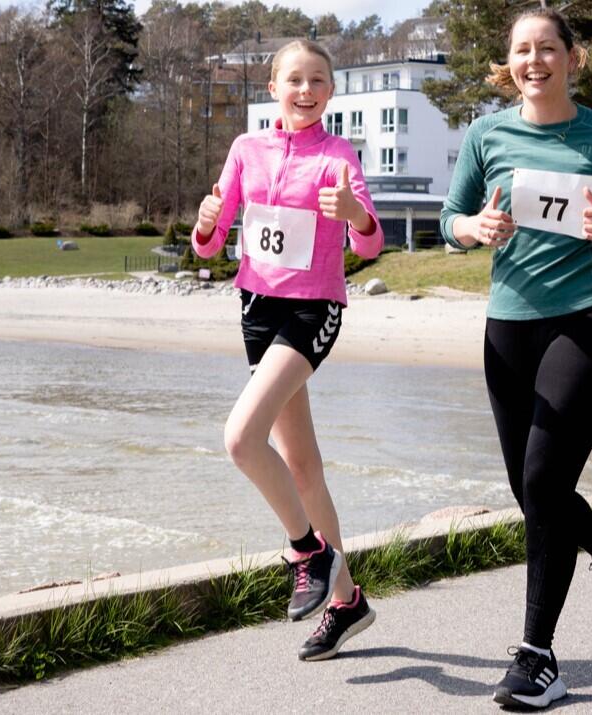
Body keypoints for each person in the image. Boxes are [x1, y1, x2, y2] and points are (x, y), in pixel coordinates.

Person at [440, 8, 592, 709]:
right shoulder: (486, 134)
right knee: (530, 491)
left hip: (590, 320)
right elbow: (450, 221)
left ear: (573, 58)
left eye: (548, 47)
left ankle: (536, 655)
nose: (534, 59)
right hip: (508, 328)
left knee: (543, 479)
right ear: (508, 62)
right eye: (522, 50)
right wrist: (474, 227)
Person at [192, 39, 383, 661]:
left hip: (312, 310)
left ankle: (308, 552)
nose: (306, 90)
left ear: (331, 90)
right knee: (302, 466)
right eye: (294, 79)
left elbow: (369, 246)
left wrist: (355, 213)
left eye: (318, 81)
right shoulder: (246, 149)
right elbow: (211, 242)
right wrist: (206, 221)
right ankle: (347, 601)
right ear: (272, 86)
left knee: (241, 439)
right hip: (255, 308)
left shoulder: (338, 154)